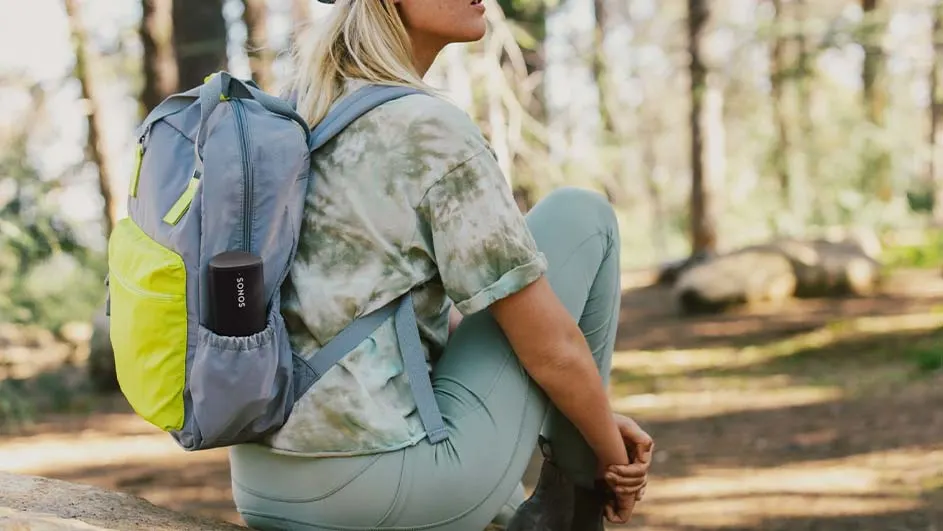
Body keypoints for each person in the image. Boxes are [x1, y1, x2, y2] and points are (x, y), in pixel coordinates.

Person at [227, 0, 655, 529]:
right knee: (581, 214)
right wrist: (611, 459)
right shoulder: (428, 128)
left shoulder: (297, 109)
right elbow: (554, 350)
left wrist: (596, 418)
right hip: (369, 495)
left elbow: (390, 316)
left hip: (261, 486)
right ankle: (572, 505)